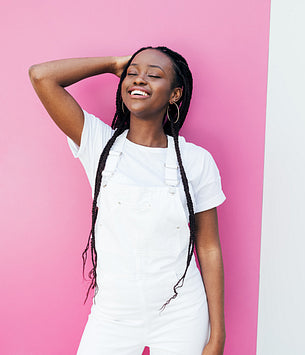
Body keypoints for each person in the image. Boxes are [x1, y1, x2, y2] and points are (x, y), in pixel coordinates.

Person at [29, 46, 226, 355]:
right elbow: (41, 76)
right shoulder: (98, 143)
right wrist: (112, 64)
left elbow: (209, 246)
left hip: (181, 314)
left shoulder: (196, 160)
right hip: (113, 315)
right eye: (133, 73)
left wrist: (218, 336)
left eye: (153, 75)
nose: (140, 80)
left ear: (175, 94)